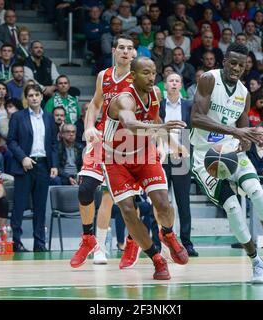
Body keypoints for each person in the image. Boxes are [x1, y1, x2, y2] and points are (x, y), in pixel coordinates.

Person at [190, 43, 263, 284]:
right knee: (234, 208)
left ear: (246, 66)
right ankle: (256, 261)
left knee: (257, 191)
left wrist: (246, 141)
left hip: (231, 151)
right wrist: (235, 130)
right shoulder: (208, 79)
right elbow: (195, 118)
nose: (236, 68)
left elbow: (243, 132)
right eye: (232, 63)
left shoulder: (244, 94)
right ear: (224, 61)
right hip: (205, 157)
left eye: (241, 64)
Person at [102, 56, 189, 280]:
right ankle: (156, 259)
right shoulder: (124, 100)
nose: (151, 78)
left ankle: (167, 234)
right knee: (129, 211)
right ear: (132, 75)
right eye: (145, 73)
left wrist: (174, 144)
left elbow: (155, 119)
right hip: (116, 160)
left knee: (163, 203)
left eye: (153, 72)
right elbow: (130, 125)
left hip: (144, 154)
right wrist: (161, 126)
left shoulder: (156, 94)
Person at [71, 35, 134, 267]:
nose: (125, 51)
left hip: (125, 143)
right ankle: (88, 239)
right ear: (114, 51)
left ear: (133, 54)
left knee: (111, 198)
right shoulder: (103, 76)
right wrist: (88, 127)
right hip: (101, 137)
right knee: (85, 188)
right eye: (122, 48)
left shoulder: (138, 79)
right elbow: (96, 104)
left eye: (129, 48)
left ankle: (103, 247)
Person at [7, 84, 59, 252]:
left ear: (42, 97)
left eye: (37, 95)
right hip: (25, 166)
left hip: (43, 165)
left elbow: (53, 143)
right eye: (31, 95)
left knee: (40, 207)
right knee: (19, 206)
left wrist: (54, 165)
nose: (34, 98)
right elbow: (11, 141)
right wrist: (23, 158)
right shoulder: (17, 117)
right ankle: (16, 242)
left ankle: (39, 243)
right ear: (26, 98)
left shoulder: (49, 118)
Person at [159, 72, 197, 257]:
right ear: (165, 85)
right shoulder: (159, 106)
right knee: (160, 202)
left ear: (181, 85)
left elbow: (194, 130)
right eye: (170, 81)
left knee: (183, 202)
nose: (174, 83)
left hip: (181, 156)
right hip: (161, 156)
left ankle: (187, 243)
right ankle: (160, 243)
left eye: (177, 81)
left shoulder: (189, 105)